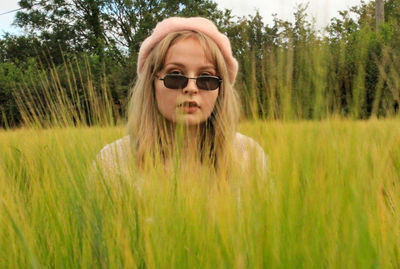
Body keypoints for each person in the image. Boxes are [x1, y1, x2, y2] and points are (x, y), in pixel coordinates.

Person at [95, 17, 267, 180]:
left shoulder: (250, 157)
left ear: (220, 90)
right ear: (151, 83)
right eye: (175, 75)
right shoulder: (112, 162)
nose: (191, 88)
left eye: (206, 77)